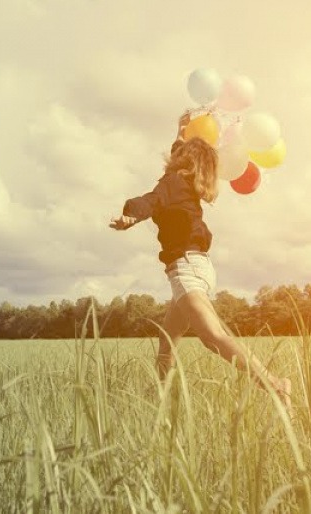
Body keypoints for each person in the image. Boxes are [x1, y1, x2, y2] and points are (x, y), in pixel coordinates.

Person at [110, 124, 292, 409]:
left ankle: (276, 386)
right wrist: (182, 131)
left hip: (186, 268)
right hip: (199, 266)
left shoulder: (172, 183)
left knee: (213, 337)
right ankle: (162, 400)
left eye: (180, 152)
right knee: (167, 339)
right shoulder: (187, 186)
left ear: (185, 159)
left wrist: (130, 216)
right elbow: (177, 156)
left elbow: (151, 200)